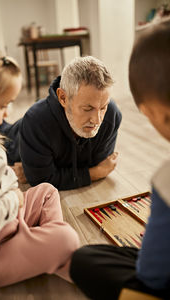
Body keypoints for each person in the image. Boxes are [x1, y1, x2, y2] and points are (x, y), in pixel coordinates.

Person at [69, 20, 170, 300]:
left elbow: (152, 274)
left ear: (150, 112)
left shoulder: (166, 180)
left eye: (101, 108)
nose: (97, 117)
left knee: (85, 259)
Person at [0, 37, 79, 288]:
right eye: (2, 105)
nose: (7, 113)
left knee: (46, 191)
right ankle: (56, 253)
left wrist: (8, 178)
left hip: (9, 223)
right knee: (66, 238)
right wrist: (13, 200)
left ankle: (42, 248)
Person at [19, 56, 122, 190]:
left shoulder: (111, 116)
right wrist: (93, 174)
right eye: (88, 108)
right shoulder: (35, 122)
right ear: (63, 98)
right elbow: (41, 182)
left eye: (103, 107)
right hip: (13, 138)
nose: (97, 120)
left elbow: (100, 165)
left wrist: (54, 174)